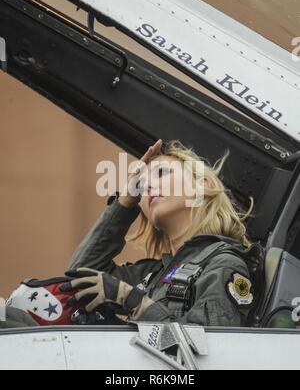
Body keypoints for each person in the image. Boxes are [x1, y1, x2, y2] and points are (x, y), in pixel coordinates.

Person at [61, 139, 262, 327]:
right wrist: (124, 202)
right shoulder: (153, 274)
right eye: (141, 185)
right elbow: (79, 277)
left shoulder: (224, 265)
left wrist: (135, 301)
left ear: (202, 185)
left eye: (162, 173)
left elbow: (206, 354)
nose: (146, 186)